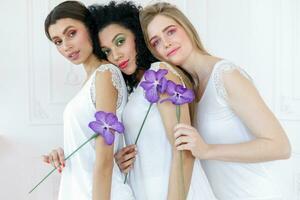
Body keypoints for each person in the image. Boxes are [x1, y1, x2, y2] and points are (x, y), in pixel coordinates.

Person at [139, 2, 291, 200]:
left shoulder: (226, 75)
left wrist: (208, 150)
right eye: (156, 42)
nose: (166, 43)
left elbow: (280, 146)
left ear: (187, 28)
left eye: (170, 32)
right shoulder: (186, 91)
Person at [90, 1, 217, 199]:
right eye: (106, 51)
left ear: (137, 37)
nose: (116, 55)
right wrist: (120, 162)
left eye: (120, 41)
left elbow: (184, 152)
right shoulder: (133, 92)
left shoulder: (160, 74)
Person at [42, 1, 134, 199]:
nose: (66, 46)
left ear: (89, 27)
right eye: (58, 41)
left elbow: (104, 159)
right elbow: (91, 149)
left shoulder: (105, 74)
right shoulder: (90, 81)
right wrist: (67, 154)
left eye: (71, 33)